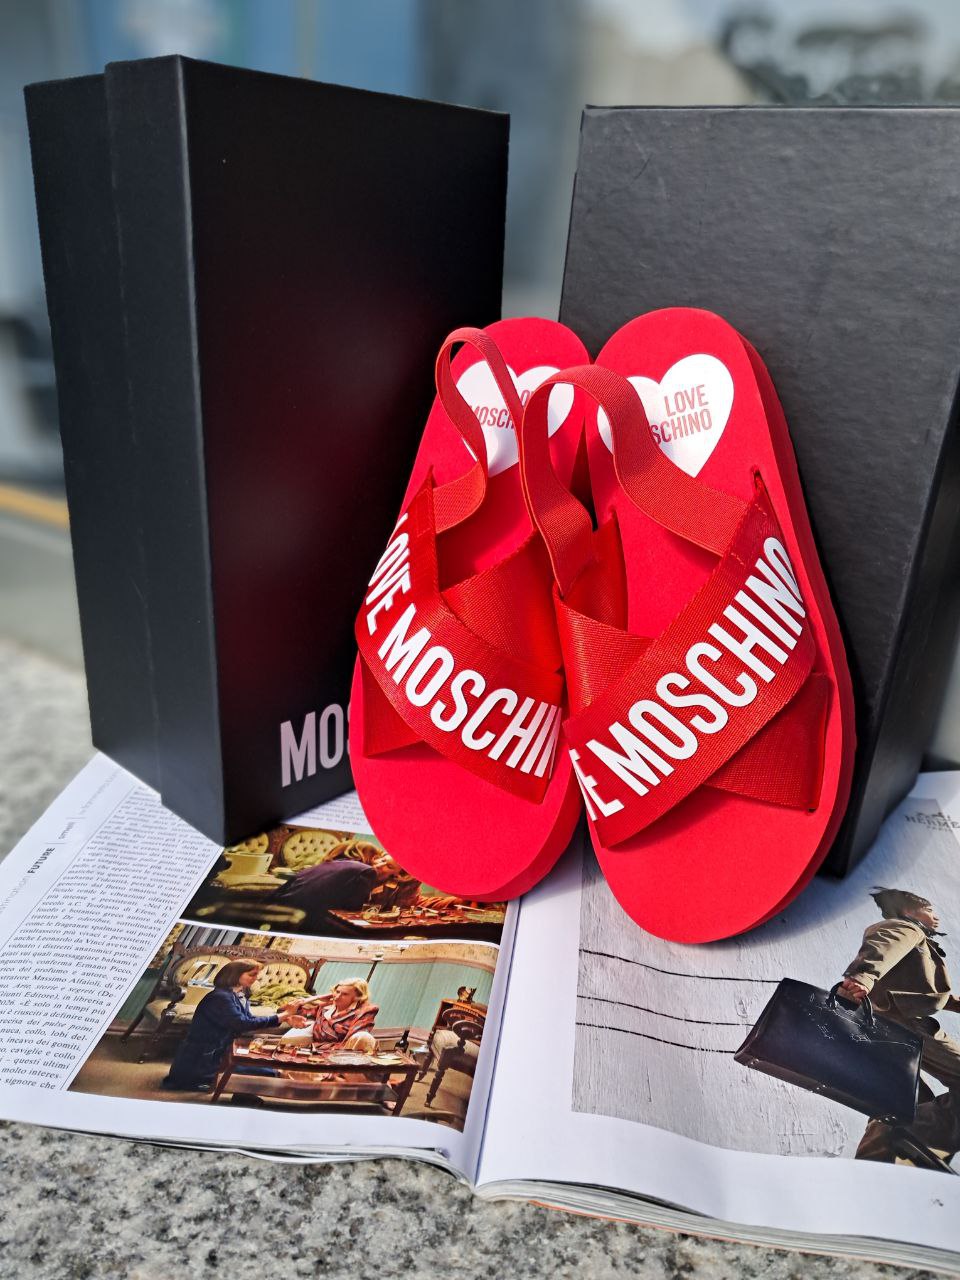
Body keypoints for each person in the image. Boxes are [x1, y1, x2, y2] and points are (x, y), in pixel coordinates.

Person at [838, 886, 960, 1163]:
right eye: (929, 909)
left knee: (907, 1100)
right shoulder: (906, 928)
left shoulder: (917, 938)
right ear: (907, 910)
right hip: (905, 1024)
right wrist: (862, 978)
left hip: (885, 1024)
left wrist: (953, 1003)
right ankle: (894, 1137)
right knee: (910, 1104)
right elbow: (883, 944)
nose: (936, 916)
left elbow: (918, 991)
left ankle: (883, 1153)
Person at [161, 961, 307, 1092]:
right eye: (252, 974)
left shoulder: (237, 995)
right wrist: (284, 1014)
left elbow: (248, 1019)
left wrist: (286, 1017)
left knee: (268, 1069)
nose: (256, 978)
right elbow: (242, 1024)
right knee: (269, 1074)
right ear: (235, 975)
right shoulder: (220, 997)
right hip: (203, 1059)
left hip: (219, 1052)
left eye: (257, 975)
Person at [271, 852, 404, 930]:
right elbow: (353, 911)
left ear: (397, 875)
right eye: (382, 860)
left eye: (389, 866)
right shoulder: (368, 872)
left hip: (278, 905)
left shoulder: (344, 862)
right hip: (298, 918)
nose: (380, 865)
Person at [283, 979, 379, 1054]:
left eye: (345, 994)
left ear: (357, 997)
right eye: (337, 991)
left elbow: (350, 1042)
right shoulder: (325, 1007)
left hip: (344, 1054)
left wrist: (328, 1051)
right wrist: (314, 998)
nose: (337, 996)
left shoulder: (365, 1011)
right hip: (317, 1051)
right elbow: (286, 1012)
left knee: (364, 1037)